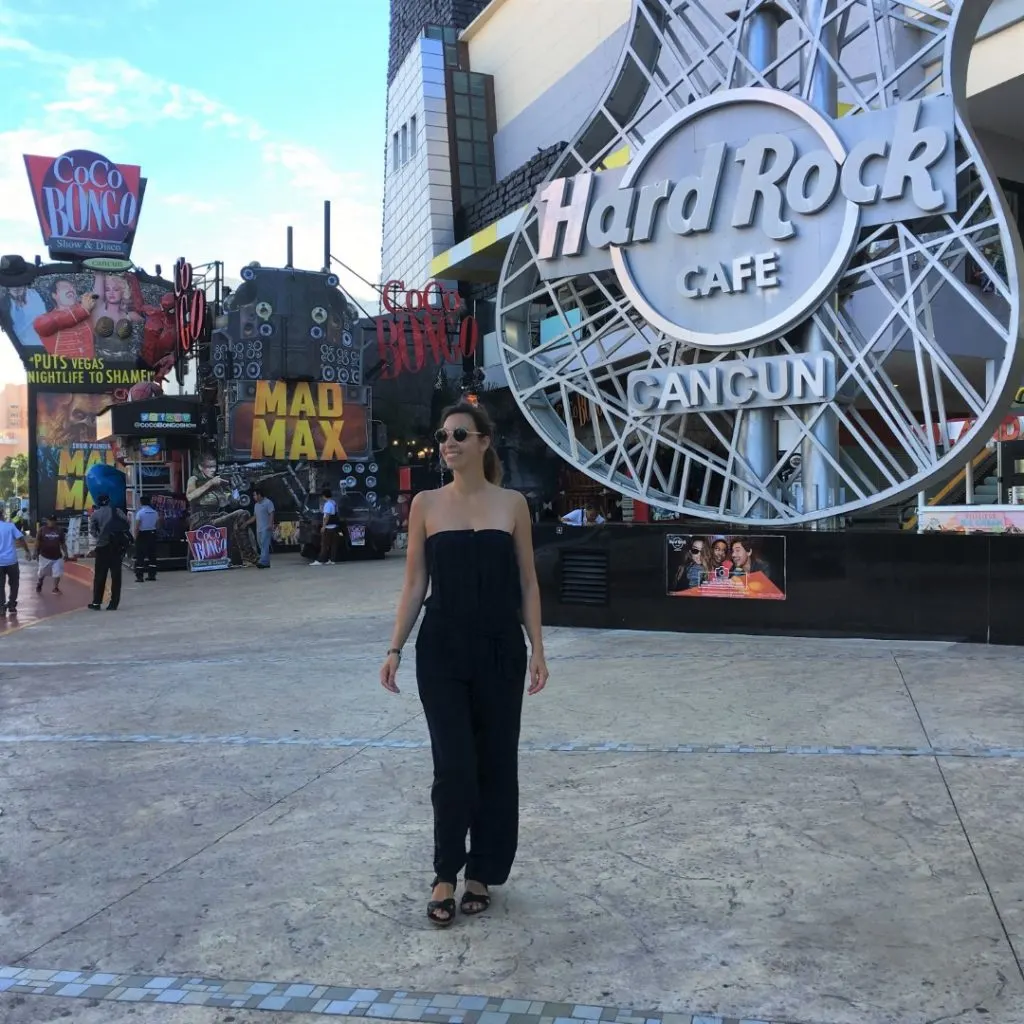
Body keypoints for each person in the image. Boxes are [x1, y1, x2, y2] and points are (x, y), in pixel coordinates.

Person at [380, 401, 549, 927]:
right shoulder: (426, 505)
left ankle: (484, 870)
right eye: (442, 435)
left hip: (502, 649)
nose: (447, 442)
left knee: (497, 764)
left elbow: (527, 581)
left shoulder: (513, 504)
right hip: (442, 651)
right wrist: (394, 648)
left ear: (483, 442)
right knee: (454, 767)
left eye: (458, 434)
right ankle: (445, 873)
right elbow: (414, 584)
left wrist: (538, 648)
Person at [185, 454, 258, 566]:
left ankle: (245, 556)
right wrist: (210, 483)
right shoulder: (194, 479)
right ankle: (248, 557)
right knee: (240, 514)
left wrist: (235, 489)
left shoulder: (218, 483)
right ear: (200, 467)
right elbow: (190, 496)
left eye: (214, 466)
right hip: (200, 521)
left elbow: (232, 503)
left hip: (216, 518)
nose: (212, 469)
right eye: (209, 467)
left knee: (242, 515)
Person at [33, 280, 98, 358]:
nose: (70, 289)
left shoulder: (88, 311)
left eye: (72, 287)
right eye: (64, 287)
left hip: (92, 368)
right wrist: (83, 311)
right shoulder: (46, 318)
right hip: (64, 369)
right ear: (54, 295)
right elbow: (42, 325)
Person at [88, 494, 130, 611]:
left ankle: (96, 603)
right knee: (116, 576)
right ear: (109, 501)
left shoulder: (95, 514)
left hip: (103, 547)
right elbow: (126, 523)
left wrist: (101, 536)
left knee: (100, 575)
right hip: (117, 547)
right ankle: (114, 603)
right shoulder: (117, 511)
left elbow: (92, 531)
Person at [0, 506, 31, 617]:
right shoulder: (10, 526)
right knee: (14, 583)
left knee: (0, 586)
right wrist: (27, 551)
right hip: (11, 561)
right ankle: (12, 604)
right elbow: (21, 539)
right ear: (2, 514)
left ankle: (1, 608)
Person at [35, 513, 68, 595]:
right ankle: (40, 582)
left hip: (57, 556)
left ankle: (55, 588)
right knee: (42, 573)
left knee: (58, 572)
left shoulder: (59, 530)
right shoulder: (42, 529)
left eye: (53, 521)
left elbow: (63, 543)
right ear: (47, 521)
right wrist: (35, 552)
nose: (52, 522)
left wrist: (66, 553)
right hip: (44, 556)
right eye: (50, 520)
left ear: (55, 521)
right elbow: (37, 542)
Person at [133, 495, 161, 582]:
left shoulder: (140, 513)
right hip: (152, 534)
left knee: (140, 556)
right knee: (152, 556)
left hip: (142, 535)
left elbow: (137, 526)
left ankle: (140, 576)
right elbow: (158, 525)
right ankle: (152, 575)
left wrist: (135, 537)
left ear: (141, 502)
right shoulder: (155, 512)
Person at [311, 487, 338, 565]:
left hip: (328, 527)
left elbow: (326, 516)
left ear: (324, 496)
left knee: (324, 544)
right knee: (333, 544)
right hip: (334, 526)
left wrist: (323, 526)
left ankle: (320, 560)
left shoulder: (328, 504)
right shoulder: (334, 502)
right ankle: (332, 560)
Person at [249, 486, 275, 569]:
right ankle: (266, 562)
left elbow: (271, 513)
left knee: (264, 544)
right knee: (260, 544)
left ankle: (262, 562)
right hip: (258, 528)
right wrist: (246, 523)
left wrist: (270, 524)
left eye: (255, 495)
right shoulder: (256, 505)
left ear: (259, 495)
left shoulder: (268, 502)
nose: (254, 497)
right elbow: (255, 516)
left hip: (266, 528)